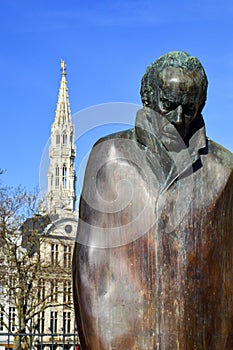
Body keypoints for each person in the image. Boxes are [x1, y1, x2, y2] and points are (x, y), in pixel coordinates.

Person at [73, 51, 233, 349]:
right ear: (148, 97)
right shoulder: (109, 156)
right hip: (128, 338)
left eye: (190, 107)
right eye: (169, 105)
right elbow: (90, 273)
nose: (179, 119)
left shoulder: (225, 169)